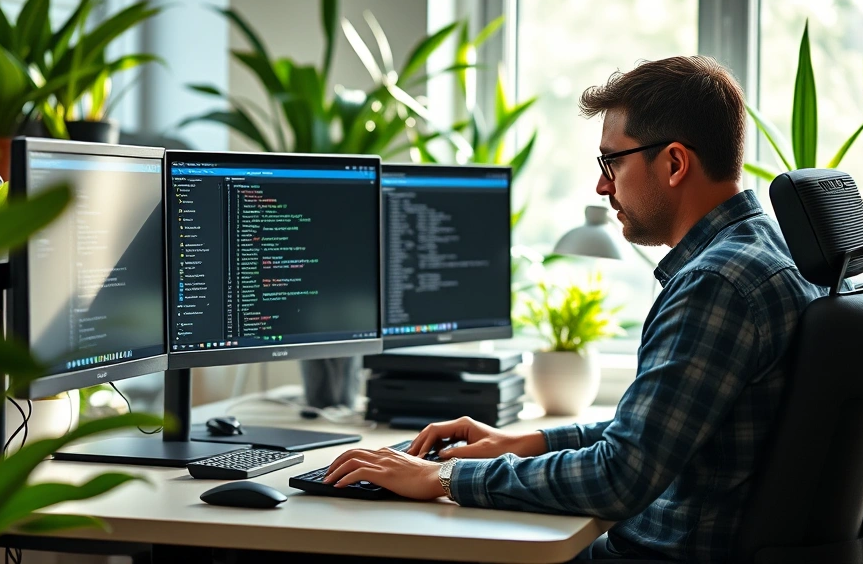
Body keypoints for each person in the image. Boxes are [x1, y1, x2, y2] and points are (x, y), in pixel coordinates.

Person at [323, 55, 829, 561]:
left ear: (674, 163)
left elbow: (620, 476)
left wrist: (443, 474)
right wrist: (527, 442)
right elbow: (657, 431)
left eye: (613, 162)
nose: (603, 186)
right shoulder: (763, 249)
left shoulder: (715, 283)